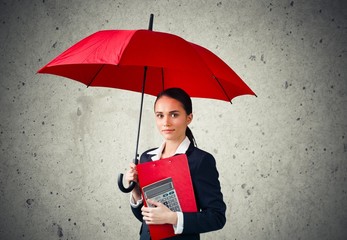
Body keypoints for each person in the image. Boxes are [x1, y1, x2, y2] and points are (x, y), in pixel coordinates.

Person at [125, 88, 226, 240]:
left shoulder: (200, 161)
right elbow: (147, 219)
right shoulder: (146, 158)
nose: (166, 122)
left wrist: (173, 218)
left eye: (174, 114)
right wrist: (136, 192)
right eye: (160, 115)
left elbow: (216, 217)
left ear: (189, 118)